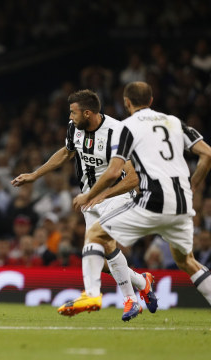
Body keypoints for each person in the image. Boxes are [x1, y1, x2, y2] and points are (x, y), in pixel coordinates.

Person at [12, 89, 157, 316]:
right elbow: (67, 152)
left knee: (101, 242)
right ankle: (141, 282)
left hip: (117, 196)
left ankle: (128, 300)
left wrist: (100, 195)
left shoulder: (117, 132)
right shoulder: (75, 128)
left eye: (73, 113)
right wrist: (34, 174)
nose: (69, 118)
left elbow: (133, 178)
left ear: (88, 113)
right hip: (89, 200)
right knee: (101, 254)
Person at [73, 81, 211, 321]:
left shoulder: (126, 128)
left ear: (127, 103)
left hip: (151, 200)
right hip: (181, 202)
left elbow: (115, 172)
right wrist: (194, 185)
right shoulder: (175, 122)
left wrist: (91, 194)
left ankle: (107, 297)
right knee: (187, 262)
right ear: (151, 101)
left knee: (96, 237)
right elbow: (207, 154)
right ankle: (139, 282)